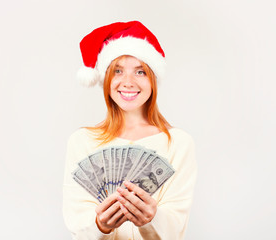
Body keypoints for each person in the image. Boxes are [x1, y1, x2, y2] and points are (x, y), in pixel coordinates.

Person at [62, 21, 197, 240]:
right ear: (107, 79)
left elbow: (176, 226)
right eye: (118, 71)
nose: (128, 82)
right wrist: (100, 225)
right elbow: (78, 225)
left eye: (140, 72)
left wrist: (153, 219)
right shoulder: (82, 141)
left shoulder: (179, 143)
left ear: (153, 80)